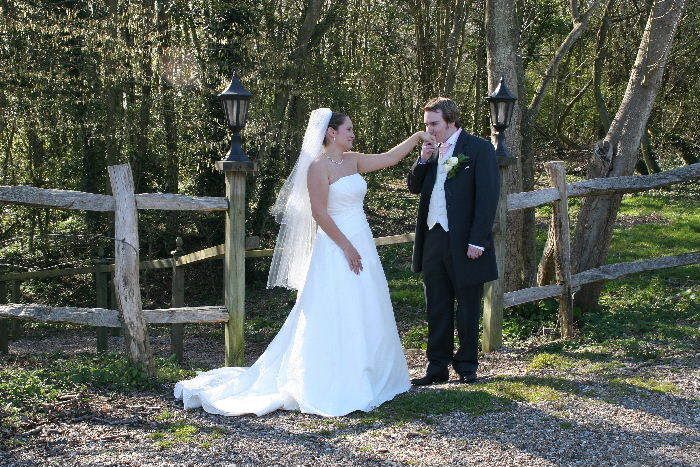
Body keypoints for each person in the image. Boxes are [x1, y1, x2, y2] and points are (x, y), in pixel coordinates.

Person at [175, 108, 435, 417]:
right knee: (336, 305)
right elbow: (320, 214)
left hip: (361, 239)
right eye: (349, 129)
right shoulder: (317, 168)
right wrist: (347, 247)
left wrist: (417, 137)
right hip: (337, 245)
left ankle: (371, 372)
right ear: (331, 133)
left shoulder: (353, 160)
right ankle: (335, 378)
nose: (353, 135)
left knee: (367, 302)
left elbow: (389, 158)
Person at [407, 97, 499, 386]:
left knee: (468, 306)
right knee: (436, 304)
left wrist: (478, 240)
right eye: (426, 125)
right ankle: (437, 367)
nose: (429, 130)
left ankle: (467, 365)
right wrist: (423, 159)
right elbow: (414, 187)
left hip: (465, 240)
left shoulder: (479, 149)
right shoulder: (430, 150)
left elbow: (487, 198)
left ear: (451, 121)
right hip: (433, 237)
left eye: (434, 124)